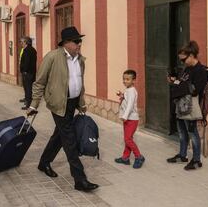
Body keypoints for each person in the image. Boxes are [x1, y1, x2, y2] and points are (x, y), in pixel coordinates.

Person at [27, 26, 99, 192]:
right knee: (69, 140)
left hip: (72, 103)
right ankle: (80, 180)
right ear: (66, 43)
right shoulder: (52, 57)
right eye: (76, 41)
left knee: (59, 136)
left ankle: (44, 162)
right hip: (59, 104)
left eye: (80, 41)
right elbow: (39, 83)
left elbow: (80, 85)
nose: (79, 44)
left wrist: (81, 104)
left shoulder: (80, 59)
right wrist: (33, 105)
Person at [166, 41, 207, 170]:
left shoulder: (201, 71)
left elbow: (195, 90)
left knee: (193, 133)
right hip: (180, 105)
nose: (182, 63)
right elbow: (183, 84)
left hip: (191, 107)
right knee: (182, 132)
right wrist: (175, 82)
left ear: (192, 55)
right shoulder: (187, 69)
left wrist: (179, 86)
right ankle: (182, 155)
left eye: (184, 60)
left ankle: (196, 160)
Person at [115, 70, 145, 168]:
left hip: (131, 119)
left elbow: (130, 105)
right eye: (124, 79)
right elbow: (126, 100)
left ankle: (138, 156)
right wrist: (122, 96)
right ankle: (125, 158)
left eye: (128, 79)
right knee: (128, 139)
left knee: (128, 139)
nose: (125, 81)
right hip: (128, 119)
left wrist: (125, 116)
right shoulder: (128, 90)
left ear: (134, 80)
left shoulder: (132, 91)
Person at [20, 36, 37, 110]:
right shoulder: (32, 49)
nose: (21, 43)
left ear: (25, 42)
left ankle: (28, 105)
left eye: (22, 42)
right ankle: (27, 101)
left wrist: (25, 71)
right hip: (31, 72)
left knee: (28, 89)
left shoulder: (27, 50)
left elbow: (27, 62)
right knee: (28, 88)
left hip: (28, 73)